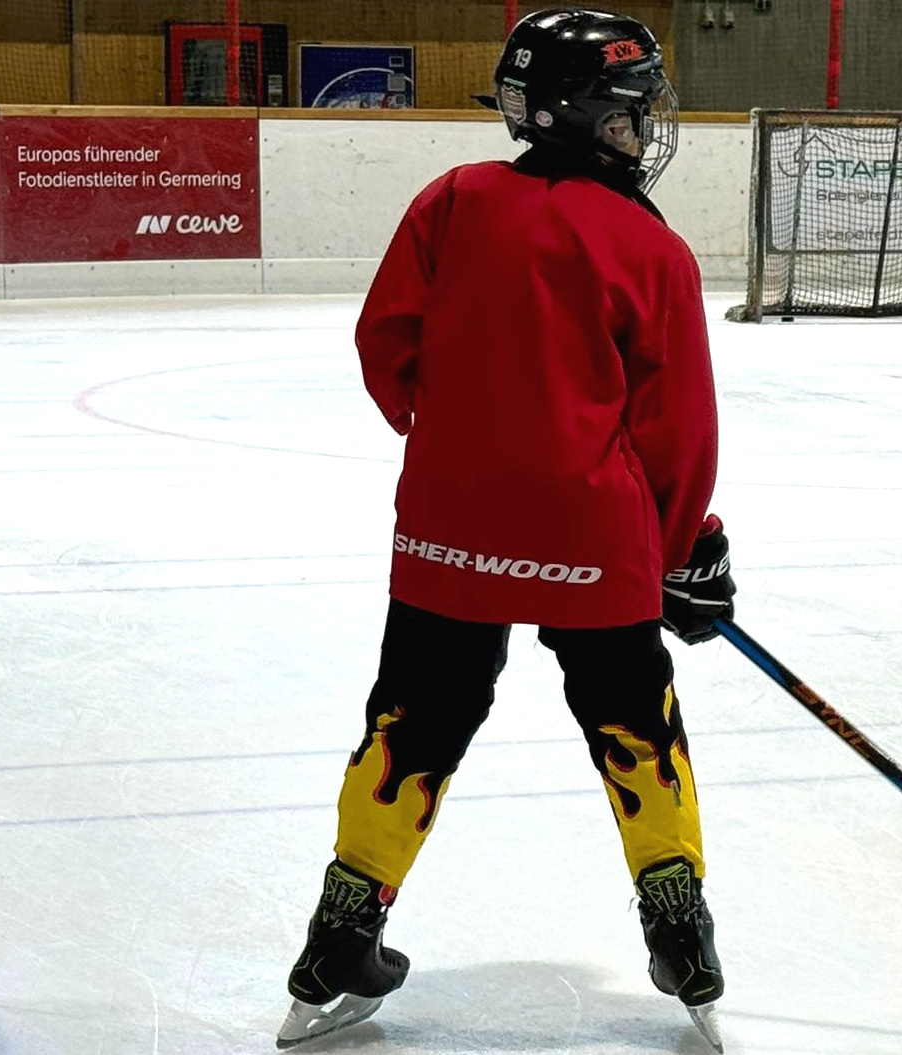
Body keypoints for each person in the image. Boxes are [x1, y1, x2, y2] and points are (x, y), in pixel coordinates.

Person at [277, 9, 733, 1050]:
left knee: (412, 722)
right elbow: (678, 428)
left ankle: (342, 932)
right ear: (588, 113)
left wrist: (449, 438)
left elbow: (385, 340)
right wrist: (679, 549)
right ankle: (681, 929)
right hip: (597, 530)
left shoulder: (452, 199)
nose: (640, 130)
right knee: (635, 720)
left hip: (450, 526)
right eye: (630, 112)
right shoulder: (649, 245)